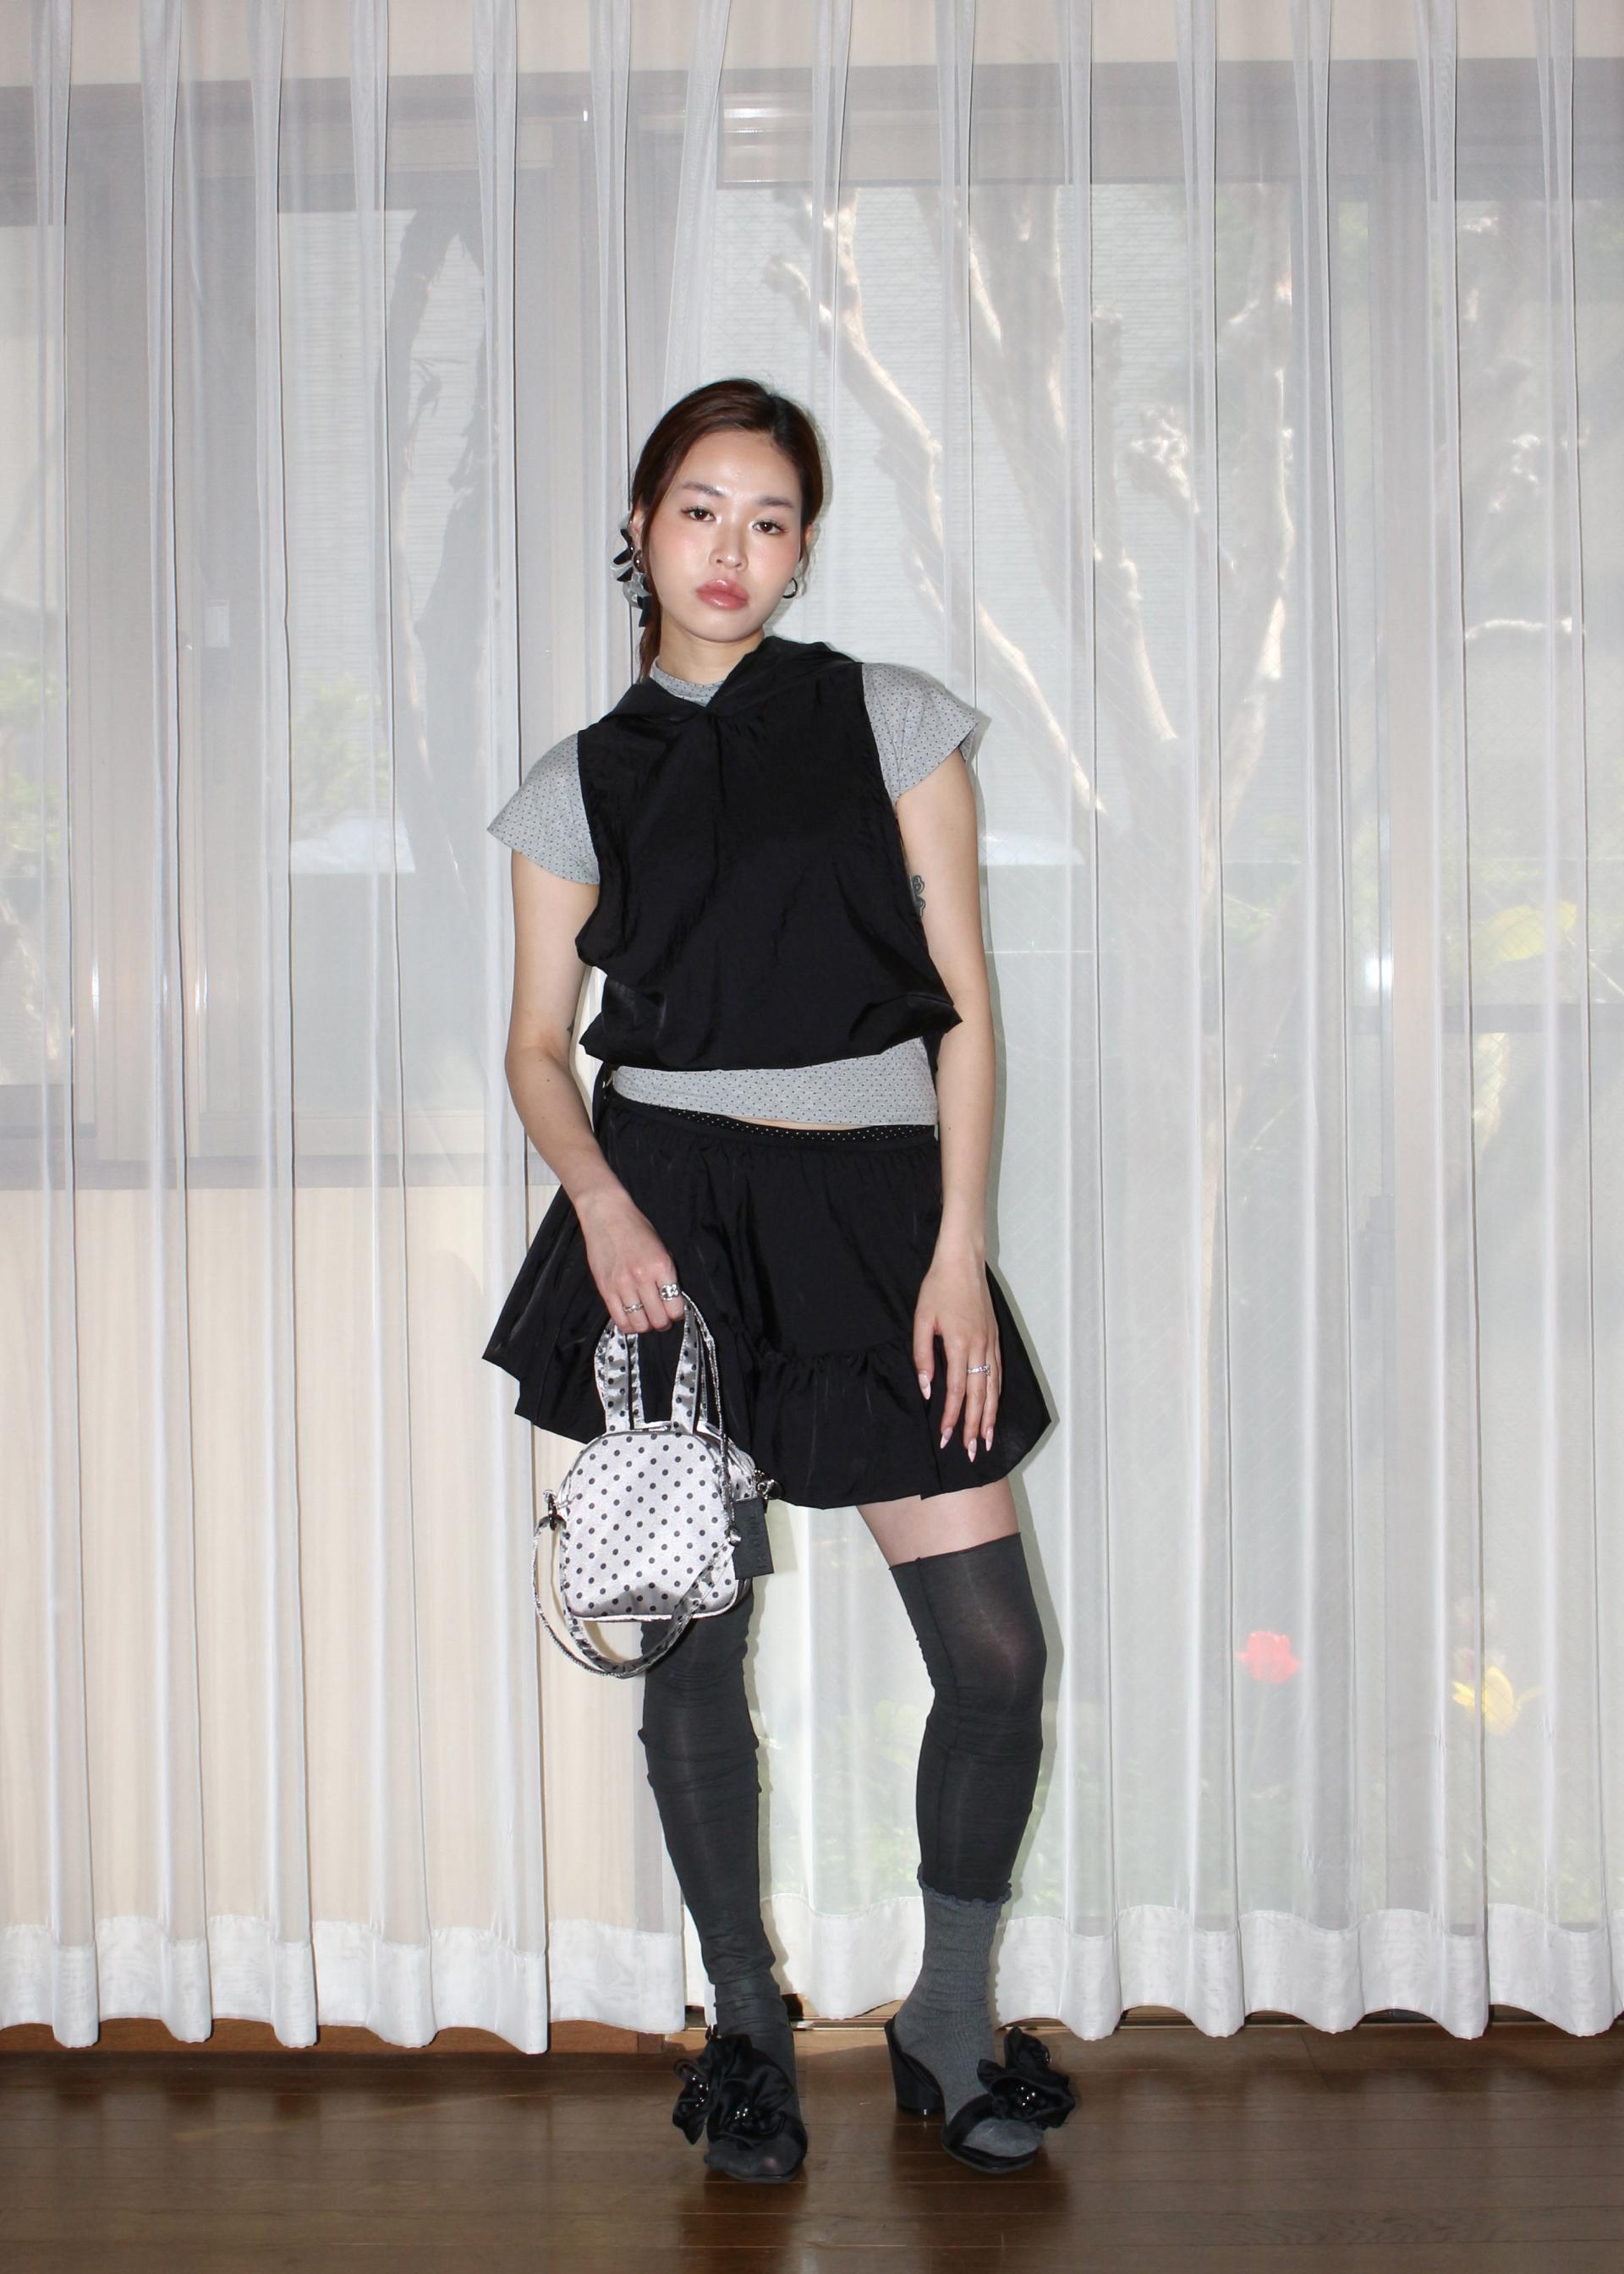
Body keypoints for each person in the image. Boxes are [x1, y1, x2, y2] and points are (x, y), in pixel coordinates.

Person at [484, 376, 1069, 2182]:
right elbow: (534, 1047)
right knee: (694, 1650)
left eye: (770, 520)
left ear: (803, 548)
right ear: (641, 528)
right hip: (667, 1222)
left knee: (996, 1654)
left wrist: (957, 1246)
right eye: (699, 511)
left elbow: (964, 1010)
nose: (731, 550)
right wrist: (601, 1206)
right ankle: (745, 2022)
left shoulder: (892, 721)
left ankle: (946, 2016)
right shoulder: (579, 780)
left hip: (883, 1216)